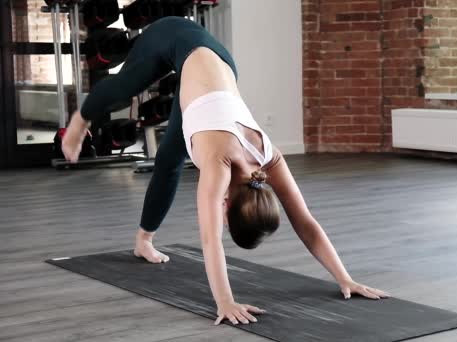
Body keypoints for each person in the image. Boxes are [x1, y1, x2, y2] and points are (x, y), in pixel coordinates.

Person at [61, 16, 389, 326]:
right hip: (176, 39)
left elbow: (306, 223)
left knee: (168, 161)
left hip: (215, 74)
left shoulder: (268, 157)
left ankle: (143, 241)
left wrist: (345, 278)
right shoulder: (218, 165)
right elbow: (210, 240)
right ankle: (80, 120)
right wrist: (225, 301)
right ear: (227, 208)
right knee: (121, 91)